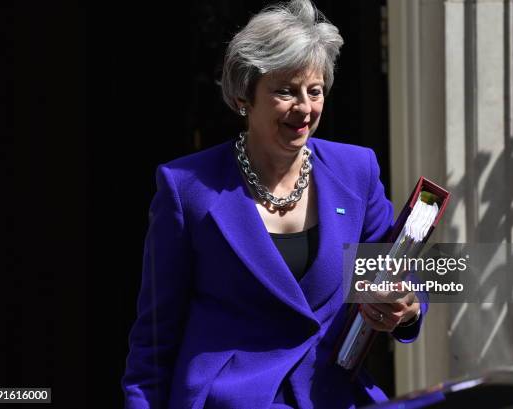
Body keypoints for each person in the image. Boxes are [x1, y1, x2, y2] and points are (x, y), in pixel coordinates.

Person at [122, 0, 427, 408]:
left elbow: (399, 272)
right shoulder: (187, 187)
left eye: (314, 91)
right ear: (244, 96)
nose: (304, 108)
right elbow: (155, 335)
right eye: (285, 91)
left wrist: (405, 306)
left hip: (331, 393)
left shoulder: (356, 170)